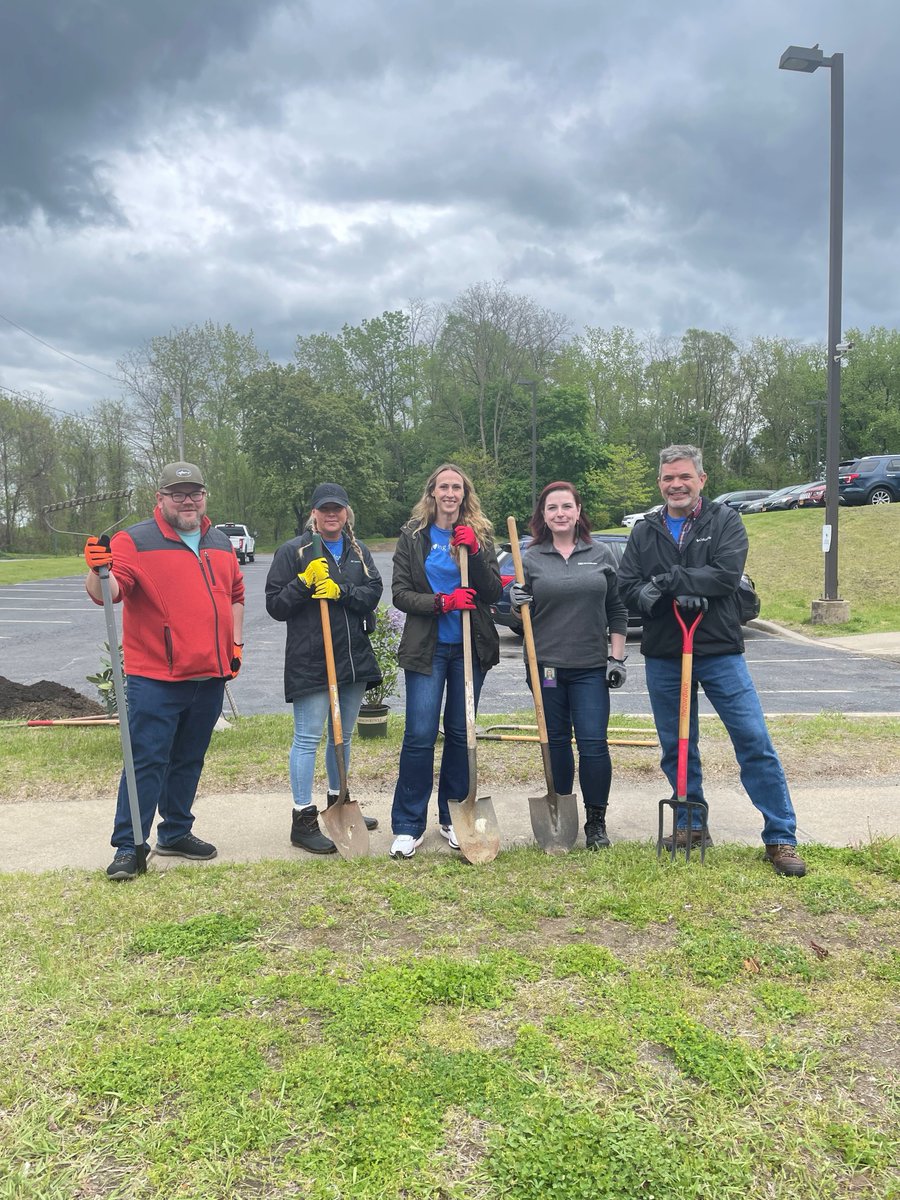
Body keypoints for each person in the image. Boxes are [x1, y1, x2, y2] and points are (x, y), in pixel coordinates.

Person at [617, 444, 807, 876]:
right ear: (660, 482)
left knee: (753, 739)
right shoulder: (646, 530)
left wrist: (664, 581)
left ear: (701, 479)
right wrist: (644, 593)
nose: (676, 485)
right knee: (678, 745)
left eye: (684, 476)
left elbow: (725, 574)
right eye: (668, 478)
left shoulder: (725, 520)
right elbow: (627, 584)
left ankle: (781, 836)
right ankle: (690, 824)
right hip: (666, 650)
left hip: (719, 648)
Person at [83, 461, 245, 881]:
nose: (187, 500)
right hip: (155, 677)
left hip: (209, 674)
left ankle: (176, 831)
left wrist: (235, 645)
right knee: (146, 760)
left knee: (189, 758)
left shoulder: (220, 541)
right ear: (161, 498)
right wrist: (97, 569)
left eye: (194, 492)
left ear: (204, 496)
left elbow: (236, 595)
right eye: (177, 493)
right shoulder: (133, 540)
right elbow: (110, 592)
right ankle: (128, 845)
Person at [389, 464, 502, 858]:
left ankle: (454, 816)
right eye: (444, 487)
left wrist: (472, 549)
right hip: (428, 649)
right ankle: (407, 824)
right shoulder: (413, 537)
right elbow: (400, 594)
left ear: (464, 493)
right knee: (419, 735)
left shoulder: (479, 536)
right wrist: (442, 602)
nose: (450, 493)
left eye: (457, 487)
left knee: (461, 733)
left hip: (470, 647)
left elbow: (491, 593)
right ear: (432, 493)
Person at [265, 483, 383, 854]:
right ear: (314, 513)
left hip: (352, 659)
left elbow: (374, 592)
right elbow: (275, 605)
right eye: (325, 509)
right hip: (310, 660)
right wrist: (303, 583)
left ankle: (340, 802)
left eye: (338, 509)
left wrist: (340, 591)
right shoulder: (293, 551)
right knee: (307, 739)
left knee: (343, 737)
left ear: (347, 512)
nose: (332, 515)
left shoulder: (358, 551)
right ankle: (303, 819)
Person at [509, 481, 628, 849]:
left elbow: (617, 609)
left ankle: (596, 823)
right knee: (557, 742)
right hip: (546, 668)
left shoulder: (602, 553)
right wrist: (515, 601)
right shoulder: (529, 557)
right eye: (551, 508)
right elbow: (520, 618)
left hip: (591, 667)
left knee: (593, 744)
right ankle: (560, 809)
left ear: (578, 511)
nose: (560, 513)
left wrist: (617, 658)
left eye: (566, 506)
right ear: (543, 516)